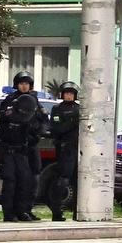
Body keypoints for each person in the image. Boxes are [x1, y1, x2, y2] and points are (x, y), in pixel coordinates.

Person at [0, 90, 43, 221]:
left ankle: (22, 211)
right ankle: (8, 213)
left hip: (21, 152)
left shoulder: (29, 117)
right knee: (10, 182)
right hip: (8, 151)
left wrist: (34, 136)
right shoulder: (9, 114)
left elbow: (37, 129)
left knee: (25, 181)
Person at [49, 81, 80, 222]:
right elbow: (57, 129)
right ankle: (56, 211)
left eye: (71, 93)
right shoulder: (57, 109)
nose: (69, 96)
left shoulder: (80, 108)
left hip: (78, 149)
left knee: (78, 181)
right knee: (62, 180)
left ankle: (77, 211)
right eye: (66, 93)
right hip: (65, 149)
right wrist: (71, 122)